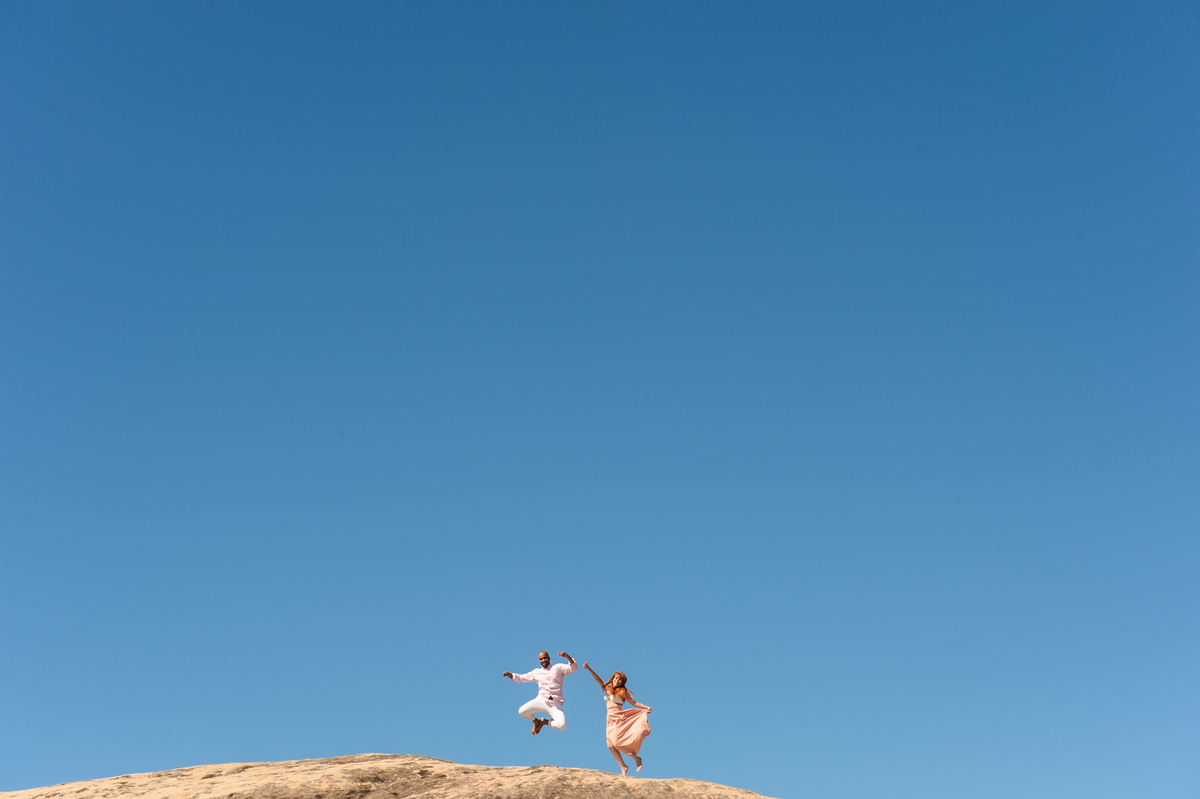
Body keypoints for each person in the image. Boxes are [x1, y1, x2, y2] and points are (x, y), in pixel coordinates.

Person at [583, 661, 652, 775]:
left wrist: (646, 707)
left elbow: (634, 702)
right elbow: (598, 679)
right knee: (610, 745)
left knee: (617, 743)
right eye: (616, 678)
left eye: (620, 679)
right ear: (613, 678)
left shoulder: (622, 692)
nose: (617, 680)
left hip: (618, 717)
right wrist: (588, 668)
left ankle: (636, 758)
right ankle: (623, 766)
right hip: (609, 717)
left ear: (622, 682)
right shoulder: (608, 689)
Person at [502, 650, 578, 735]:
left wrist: (567, 656)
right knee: (522, 711)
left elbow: (573, 667)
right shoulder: (536, 672)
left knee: (562, 725)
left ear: (549, 658)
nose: (543, 660)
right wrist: (510, 675)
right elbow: (522, 678)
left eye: (545, 658)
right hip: (541, 700)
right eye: (541, 659)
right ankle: (536, 722)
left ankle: (544, 722)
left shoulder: (558, 668)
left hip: (555, 703)